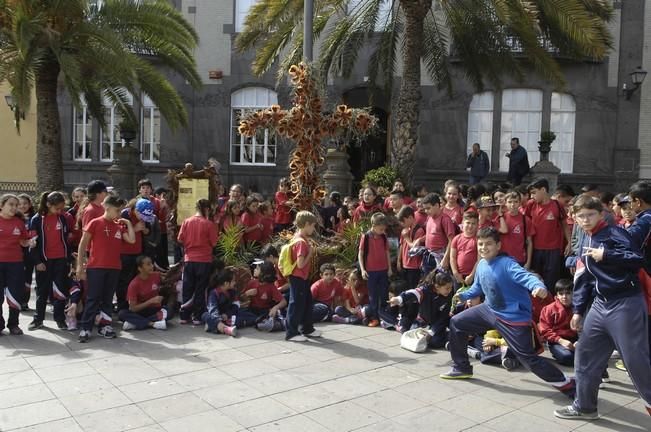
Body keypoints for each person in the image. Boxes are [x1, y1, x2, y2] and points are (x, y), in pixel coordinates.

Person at [441, 227, 576, 401]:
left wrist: (538, 287)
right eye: (480, 244)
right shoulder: (481, 264)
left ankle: (569, 385)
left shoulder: (507, 264)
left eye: (488, 244)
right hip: (489, 310)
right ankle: (462, 367)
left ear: (498, 245)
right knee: (457, 322)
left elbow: (526, 276)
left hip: (513, 319)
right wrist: (463, 295)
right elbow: (478, 288)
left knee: (529, 359)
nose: (483, 248)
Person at [554, 195, 651, 420]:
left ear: (601, 214)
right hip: (599, 306)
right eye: (581, 216)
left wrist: (606, 254)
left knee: (636, 361)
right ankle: (584, 407)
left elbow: (636, 258)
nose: (586, 220)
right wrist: (577, 311)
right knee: (586, 355)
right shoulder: (585, 240)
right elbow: (583, 279)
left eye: (591, 214)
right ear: (574, 218)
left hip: (625, 302)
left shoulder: (614, 232)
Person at [76, 196, 136, 342]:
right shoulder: (94, 223)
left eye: (121, 210)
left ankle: (105, 326)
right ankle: (86, 328)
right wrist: (80, 266)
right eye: (117, 210)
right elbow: (83, 245)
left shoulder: (118, 226)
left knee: (108, 299)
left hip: (114, 268)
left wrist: (128, 223)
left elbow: (132, 240)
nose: (119, 213)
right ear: (107, 208)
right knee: (93, 298)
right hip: (96, 267)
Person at [28, 192, 72, 330]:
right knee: (42, 291)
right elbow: (32, 244)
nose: (60, 211)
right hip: (44, 262)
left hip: (60, 260)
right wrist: (37, 262)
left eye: (62, 208)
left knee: (60, 291)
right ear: (48, 205)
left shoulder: (62, 218)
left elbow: (65, 240)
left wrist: (68, 257)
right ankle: (38, 319)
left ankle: (60, 319)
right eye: (57, 208)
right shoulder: (36, 220)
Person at [385, 271, 453, 348]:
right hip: (423, 321)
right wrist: (398, 299)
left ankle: (450, 337)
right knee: (413, 335)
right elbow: (412, 293)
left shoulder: (447, 296)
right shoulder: (424, 291)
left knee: (434, 342)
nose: (450, 290)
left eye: (451, 288)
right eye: (447, 288)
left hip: (438, 323)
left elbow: (443, 317)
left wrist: (431, 332)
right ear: (437, 286)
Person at [526, 178, 571, 293]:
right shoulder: (531, 205)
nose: (532, 196)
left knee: (551, 282)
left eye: (534, 192)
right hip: (535, 250)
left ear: (543, 190)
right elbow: (526, 223)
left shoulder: (556, 205)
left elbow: (565, 225)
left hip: (553, 250)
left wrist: (570, 243)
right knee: (535, 280)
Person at [178, 199, 218, 325]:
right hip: (204, 260)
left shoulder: (186, 221)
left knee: (187, 287)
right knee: (201, 289)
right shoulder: (209, 224)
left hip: (189, 259)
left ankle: (185, 315)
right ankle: (197, 316)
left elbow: (180, 239)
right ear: (206, 209)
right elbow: (214, 243)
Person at [285, 210, 320, 341]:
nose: (313, 228)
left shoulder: (299, 238)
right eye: (312, 225)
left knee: (306, 302)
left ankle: (307, 328)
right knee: (297, 304)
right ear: (306, 224)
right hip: (298, 277)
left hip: (302, 278)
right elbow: (300, 264)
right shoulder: (301, 242)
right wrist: (310, 254)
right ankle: (291, 333)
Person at [0, 194, 33, 335]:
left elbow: (23, 241)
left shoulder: (19, 222)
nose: (14, 207)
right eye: (11, 204)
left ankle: (13, 324)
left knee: (15, 295)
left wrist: (30, 242)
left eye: (16, 205)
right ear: (2, 205)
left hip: (15, 264)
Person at [116, 199, 153, 312]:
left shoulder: (145, 216)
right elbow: (120, 232)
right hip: (125, 252)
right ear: (135, 210)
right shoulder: (124, 215)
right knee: (124, 281)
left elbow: (148, 230)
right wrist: (135, 228)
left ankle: (135, 303)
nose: (142, 218)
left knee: (136, 279)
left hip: (138, 251)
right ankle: (122, 305)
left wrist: (145, 230)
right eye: (141, 215)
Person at [358, 212, 392, 327]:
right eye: (381, 229)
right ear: (373, 225)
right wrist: (363, 269)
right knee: (373, 296)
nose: (383, 231)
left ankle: (384, 317)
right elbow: (361, 253)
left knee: (384, 295)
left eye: (384, 229)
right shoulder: (366, 237)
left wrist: (389, 268)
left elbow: (387, 252)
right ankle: (374, 318)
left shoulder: (383, 236)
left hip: (383, 270)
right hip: (371, 271)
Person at [119, 255, 168, 331]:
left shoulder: (156, 275)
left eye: (151, 263)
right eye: (148, 264)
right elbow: (133, 308)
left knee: (169, 311)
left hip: (155, 309)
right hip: (141, 311)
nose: (151, 266)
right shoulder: (134, 284)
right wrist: (151, 301)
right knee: (122, 313)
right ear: (140, 268)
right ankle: (153, 324)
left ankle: (135, 323)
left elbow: (168, 277)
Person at [538, 279, 577, 366]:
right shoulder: (548, 309)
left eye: (568, 293)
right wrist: (561, 341)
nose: (564, 297)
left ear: (574, 294)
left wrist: (581, 341)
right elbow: (545, 330)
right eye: (561, 294)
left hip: (575, 339)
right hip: (556, 341)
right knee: (567, 357)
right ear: (557, 296)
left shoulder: (578, 308)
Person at [419, 193, 456, 274]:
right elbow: (431, 234)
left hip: (440, 256)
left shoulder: (445, 219)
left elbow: (451, 240)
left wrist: (445, 259)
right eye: (425, 209)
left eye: (428, 208)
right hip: (428, 255)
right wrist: (419, 240)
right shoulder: (429, 218)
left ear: (436, 205)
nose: (426, 211)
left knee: (440, 283)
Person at [500, 191, 535, 268]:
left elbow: (529, 242)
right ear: (505, 203)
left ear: (519, 203)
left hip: (519, 259)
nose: (512, 205)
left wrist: (528, 262)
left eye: (515, 202)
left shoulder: (526, 220)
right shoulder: (501, 218)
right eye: (510, 202)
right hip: (502, 258)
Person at [396, 206, 425, 291]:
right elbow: (401, 245)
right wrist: (399, 260)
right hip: (405, 264)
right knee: (405, 288)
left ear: (410, 217)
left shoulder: (419, 230)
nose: (402, 224)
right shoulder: (405, 229)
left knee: (413, 288)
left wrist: (406, 237)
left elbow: (414, 247)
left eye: (403, 221)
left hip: (414, 266)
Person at [202, 268, 238, 337]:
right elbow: (212, 308)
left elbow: (234, 306)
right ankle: (225, 329)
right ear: (226, 283)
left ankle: (212, 326)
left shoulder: (232, 292)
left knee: (241, 312)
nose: (235, 282)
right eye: (233, 281)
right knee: (204, 315)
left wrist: (227, 314)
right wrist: (218, 318)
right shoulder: (214, 293)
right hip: (215, 316)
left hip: (226, 317)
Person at [450, 212, 479, 288]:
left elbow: (479, 260)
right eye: (468, 223)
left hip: (473, 276)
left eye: (473, 223)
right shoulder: (456, 239)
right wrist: (455, 272)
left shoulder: (478, 240)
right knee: (458, 298)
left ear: (477, 225)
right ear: (463, 223)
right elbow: (452, 257)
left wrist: (472, 275)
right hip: (458, 276)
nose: (470, 226)